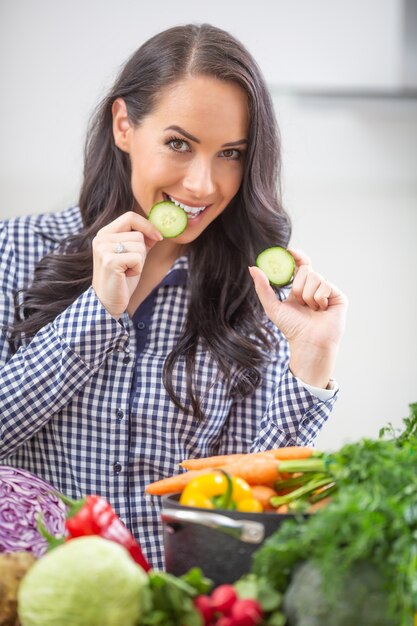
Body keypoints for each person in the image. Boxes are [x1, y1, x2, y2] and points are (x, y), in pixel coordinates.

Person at [0, 23, 347, 569]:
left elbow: (255, 505)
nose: (203, 185)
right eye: (178, 143)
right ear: (123, 126)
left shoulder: (255, 293)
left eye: (230, 152)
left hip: (179, 604)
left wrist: (311, 360)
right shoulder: (14, 251)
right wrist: (96, 310)